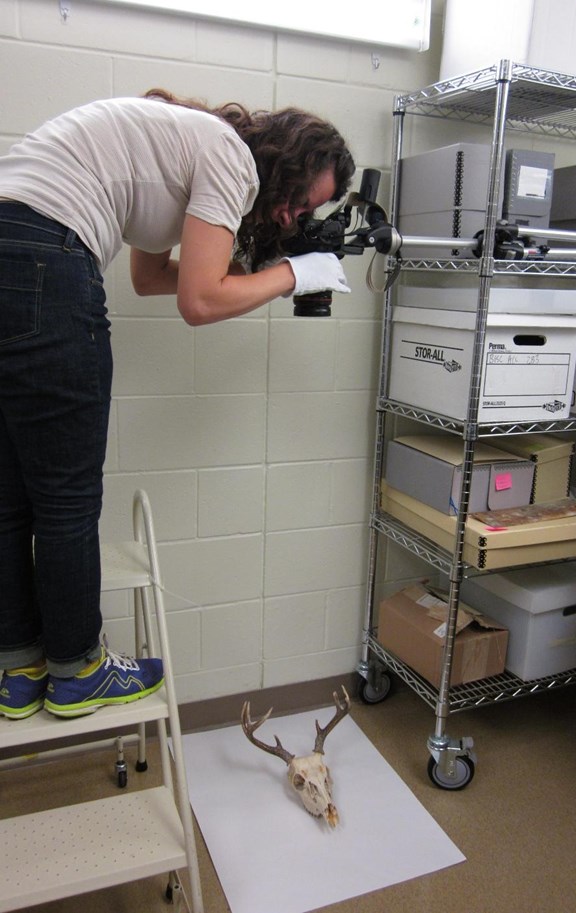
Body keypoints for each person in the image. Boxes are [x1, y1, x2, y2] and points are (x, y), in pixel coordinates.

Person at [0, 89, 355, 719]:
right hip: (46, 262)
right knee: (64, 499)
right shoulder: (229, 156)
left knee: (7, 496)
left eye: (309, 212)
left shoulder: (179, 145)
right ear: (286, 159)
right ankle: (78, 670)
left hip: (9, 243)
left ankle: (17, 671)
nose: (295, 217)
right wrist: (297, 276)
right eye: (303, 199)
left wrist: (266, 275)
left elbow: (152, 278)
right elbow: (200, 303)